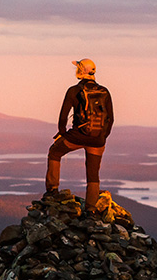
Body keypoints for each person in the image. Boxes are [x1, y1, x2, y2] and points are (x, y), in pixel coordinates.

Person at [44, 58, 114, 207]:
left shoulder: (74, 91)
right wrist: (102, 137)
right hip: (98, 140)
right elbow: (111, 119)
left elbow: (63, 116)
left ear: (81, 71)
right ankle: (91, 210)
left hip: (77, 136)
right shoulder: (104, 92)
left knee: (54, 152)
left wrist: (62, 133)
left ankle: (52, 191)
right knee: (93, 174)